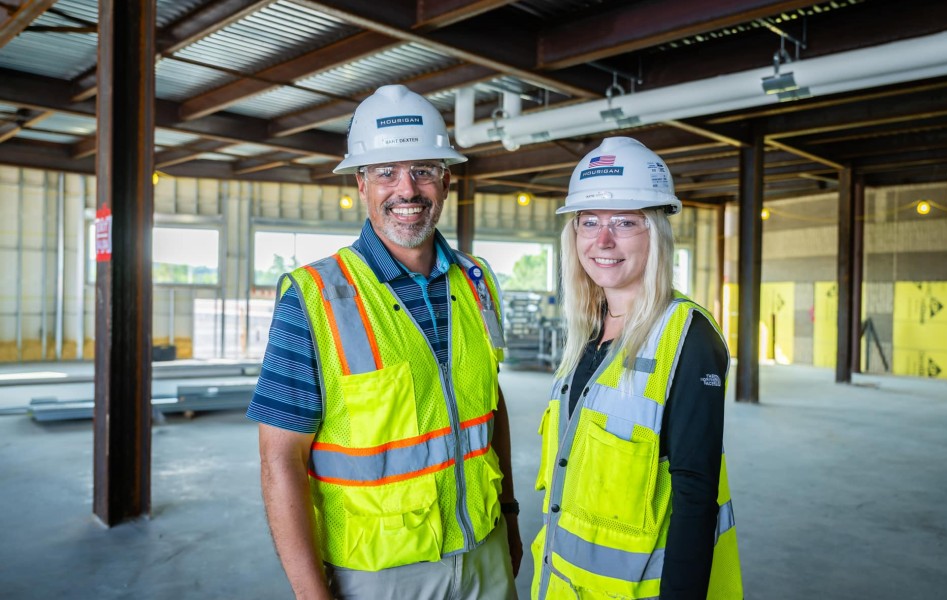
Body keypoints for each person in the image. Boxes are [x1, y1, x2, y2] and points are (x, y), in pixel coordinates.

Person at [247, 84, 521, 600]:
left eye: (423, 169)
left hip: (486, 551)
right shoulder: (315, 297)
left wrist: (510, 517)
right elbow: (279, 461)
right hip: (382, 574)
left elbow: (490, 402)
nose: (407, 190)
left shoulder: (477, 279)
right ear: (361, 183)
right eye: (386, 172)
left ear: (445, 178)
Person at [530, 137, 743, 599]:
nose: (603, 240)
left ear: (656, 232)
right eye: (590, 222)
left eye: (625, 222)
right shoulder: (589, 331)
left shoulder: (688, 338)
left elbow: (695, 497)